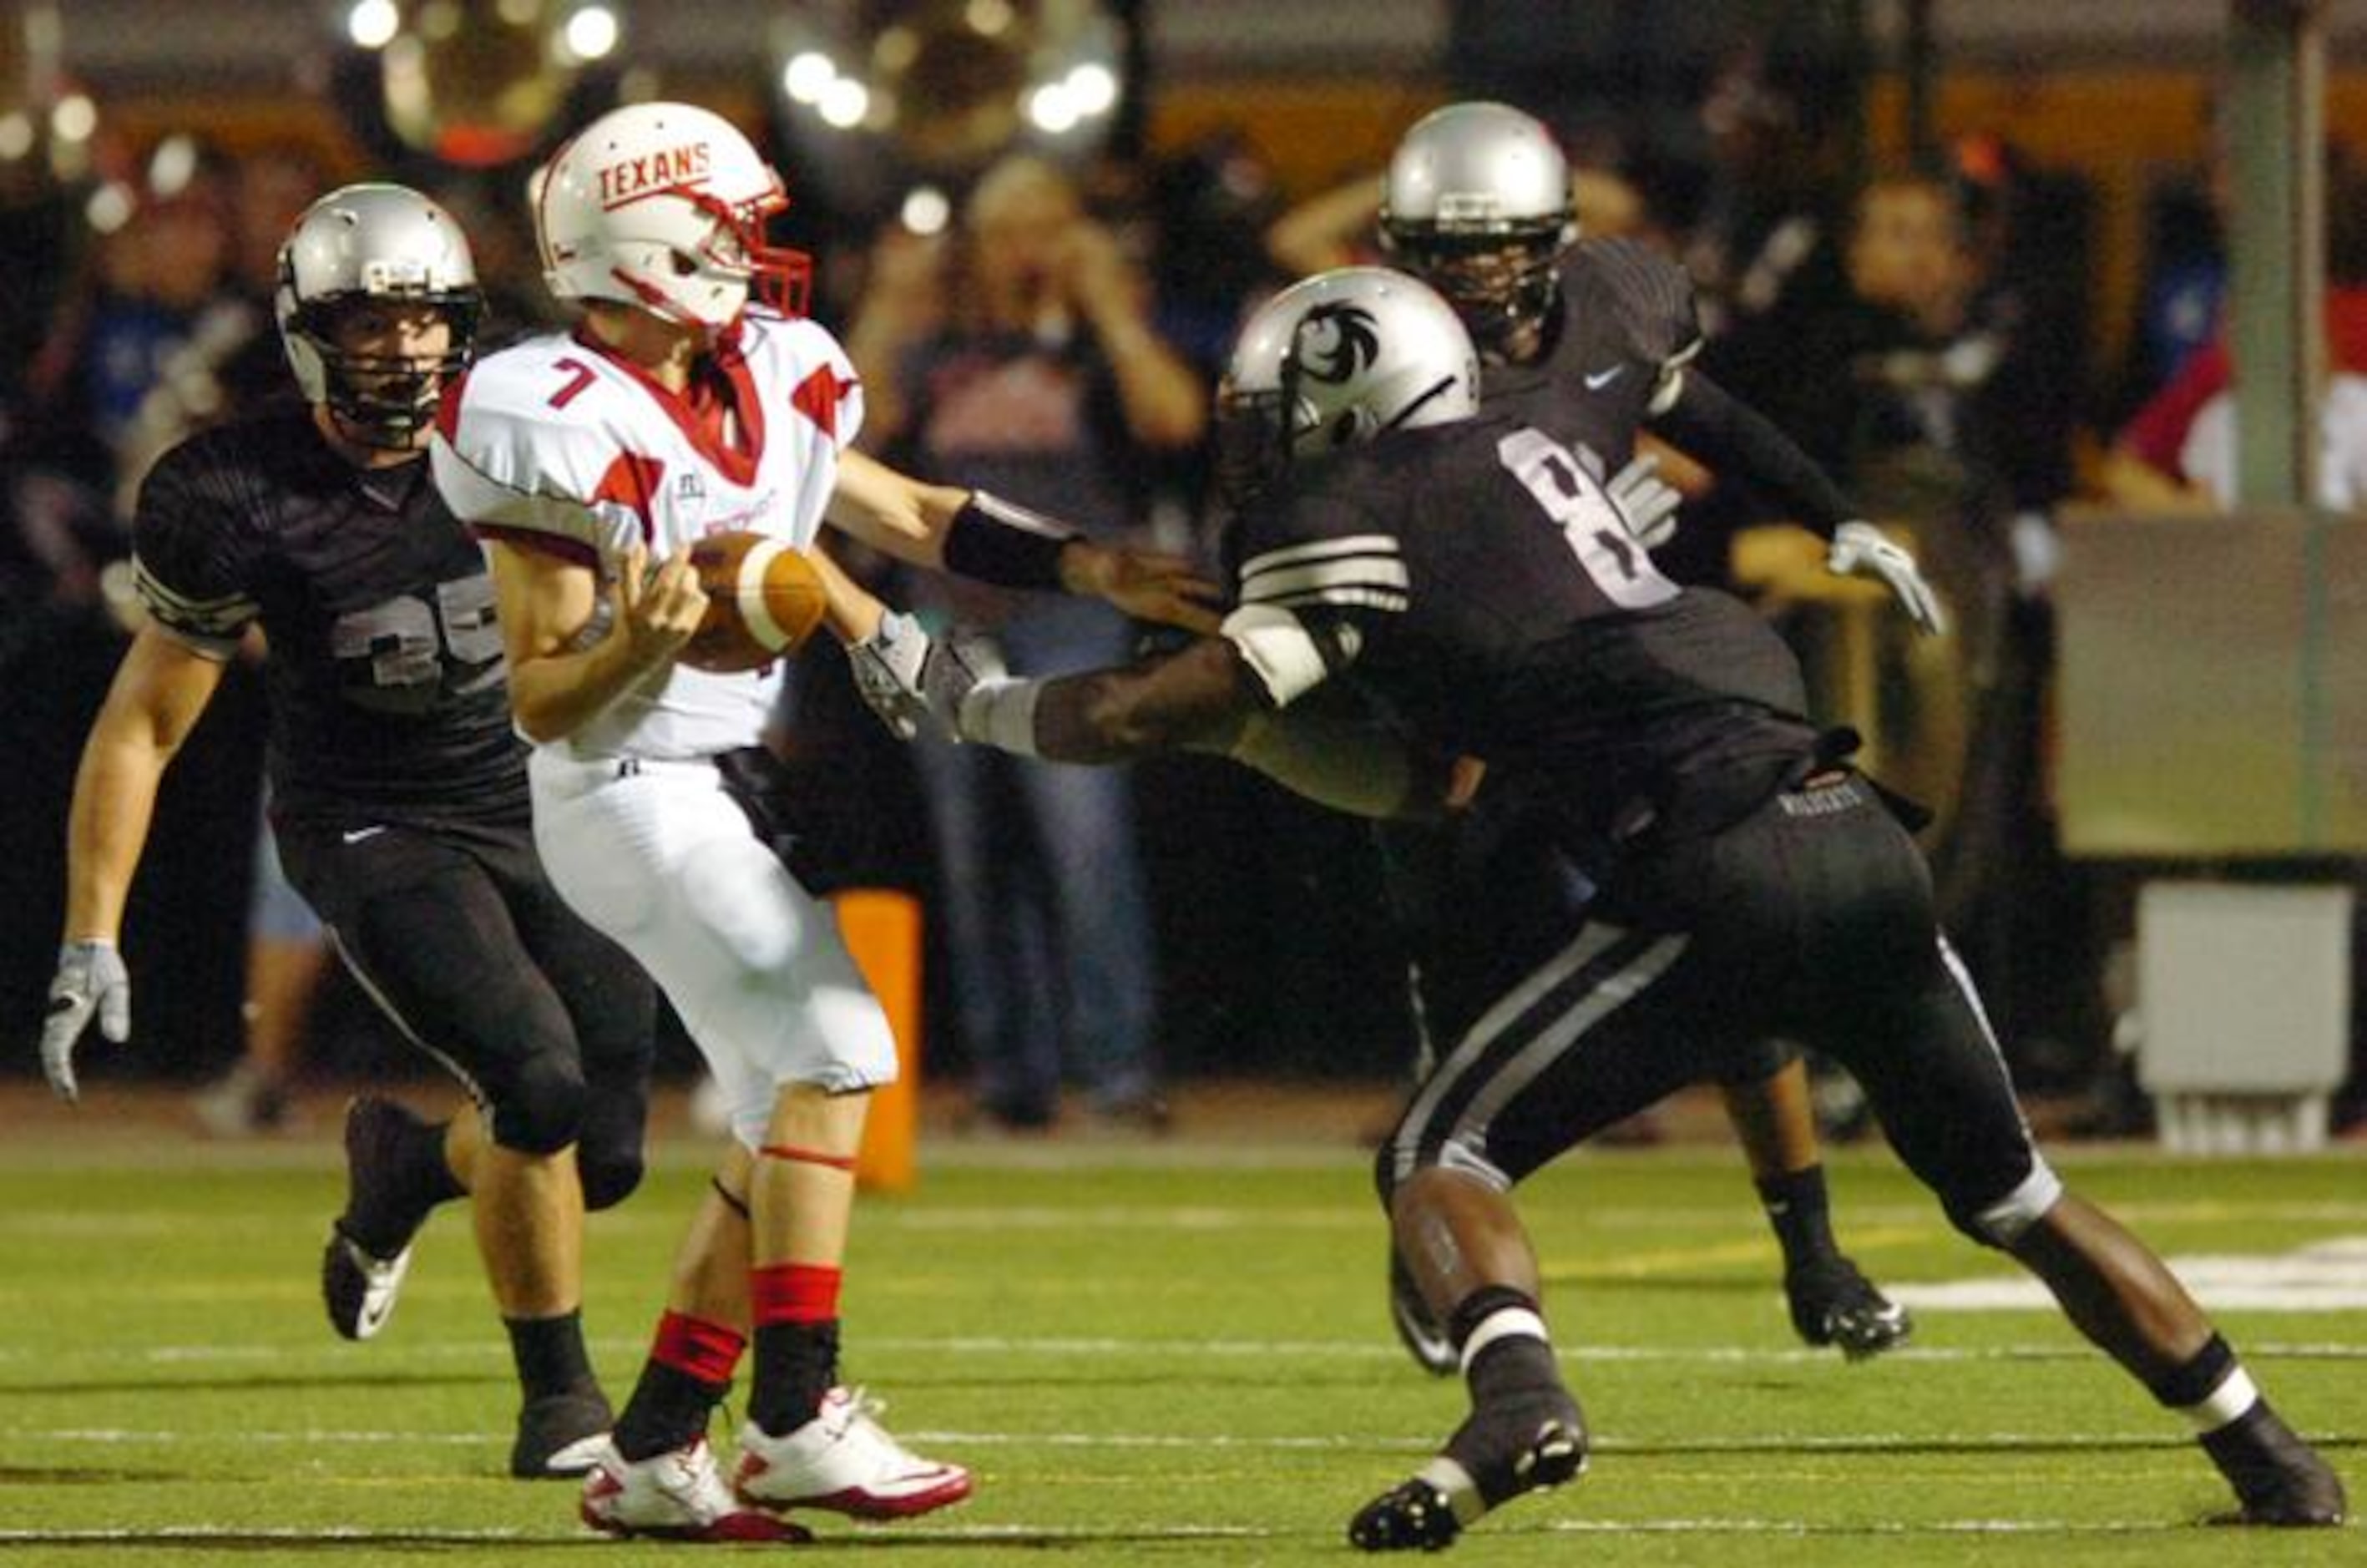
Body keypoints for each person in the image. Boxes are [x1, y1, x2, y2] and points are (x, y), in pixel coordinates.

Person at [943, 266, 2348, 1546]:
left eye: (1281, 404)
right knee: (2018, 1193)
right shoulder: (1540, 462)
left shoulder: (1350, 508)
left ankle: (1516, 1402)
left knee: (1444, 1141)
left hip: (1714, 853)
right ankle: (2271, 1453)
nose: (1261, 433)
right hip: (1855, 835)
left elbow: (1150, 709)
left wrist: (974, 700)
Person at [429, 101, 1216, 1542]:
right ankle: (795, 1413)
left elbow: (910, 510)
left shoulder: (769, 367)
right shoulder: (543, 406)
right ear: (649, 244)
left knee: (776, 1107)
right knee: (843, 1047)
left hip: (731, 781)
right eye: (725, 227)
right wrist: (643, 639)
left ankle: (661, 1448)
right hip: (620, 783)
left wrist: (1097, 568)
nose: (751, 252)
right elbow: (544, 697)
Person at [36, 183, 660, 1480]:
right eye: (368, 324)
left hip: (537, 793)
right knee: (535, 1080)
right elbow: (144, 722)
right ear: (308, 330)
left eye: (424, 321)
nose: (403, 350)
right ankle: (561, 1401)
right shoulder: (234, 488)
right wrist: (91, 931)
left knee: (603, 1145)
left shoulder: (525, 437)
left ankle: (406, 1162)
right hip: (370, 817)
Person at [1368, 100, 1919, 1368]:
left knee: (1735, 954)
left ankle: (1813, 1250)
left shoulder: (1609, 309)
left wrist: (1831, 511)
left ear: (1554, 239)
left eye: (1500, 245)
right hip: (1459, 688)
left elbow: (1700, 412)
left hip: (1615, 680)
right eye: (1445, 250)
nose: (1471, 275)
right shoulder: (1375, 357)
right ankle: (1431, 1247)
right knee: (1460, 991)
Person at [846, 154, 1200, 1132]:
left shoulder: (1096, 343)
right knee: (971, 851)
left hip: (1071, 608)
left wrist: (1112, 308)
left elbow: (1174, 420)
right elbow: (848, 437)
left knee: (1083, 841)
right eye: (1008, 230)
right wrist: (887, 303)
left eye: (1048, 227)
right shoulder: (936, 340)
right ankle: (1014, 1076)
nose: (1027, 251)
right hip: (948, 608)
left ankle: (1119, 1072)